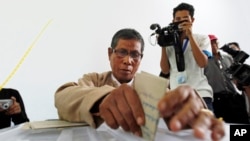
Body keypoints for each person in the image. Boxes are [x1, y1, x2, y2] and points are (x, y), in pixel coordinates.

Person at [54, 28, 225, 140]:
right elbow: (63, 97)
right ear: (109, 53)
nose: (128, 61)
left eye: (135, 55)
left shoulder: (153, 87)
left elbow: (175, 108)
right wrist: (103, 98)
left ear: (140, 59)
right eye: (122, 52)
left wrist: (194, 110)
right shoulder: (94, 80)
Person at [159, 3, 213, 110]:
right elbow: (165, 70)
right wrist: (163, 44)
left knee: (203, 124)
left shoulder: (202, 38)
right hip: (176, 95)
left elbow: (202, 63)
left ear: (192, 20)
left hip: (199, 93)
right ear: (173, 20)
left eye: (185, 19)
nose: (181, 22)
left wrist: (190, 35)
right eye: (177, 19)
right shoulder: (170, 42)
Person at [204, 34, 249, 124]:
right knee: (224, 127)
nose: (214, 45)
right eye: (211, 43)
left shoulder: (228, 57)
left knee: (242, 122)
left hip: (234, 97)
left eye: (215, 42)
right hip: (217, 100)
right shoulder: (205, 60)